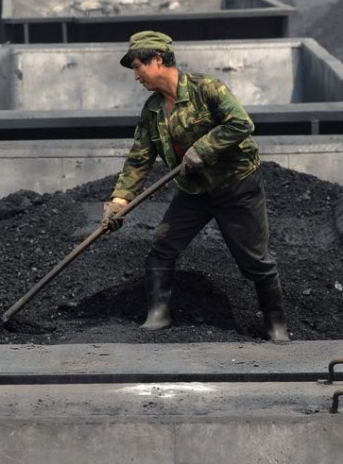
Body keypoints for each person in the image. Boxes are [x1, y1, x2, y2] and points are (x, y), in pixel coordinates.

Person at [102, 31, 290, 342]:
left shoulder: (206, 89)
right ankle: (158, 315)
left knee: (255, 261)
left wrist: (204, 148)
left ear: (158, 60)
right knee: (162, 246)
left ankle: (276, 324)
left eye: (138, 66)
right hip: (194, 192)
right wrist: (121, 200)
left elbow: (241, 123)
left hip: (236, 187)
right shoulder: (152, 110)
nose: (136, 76)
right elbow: (139, 158)